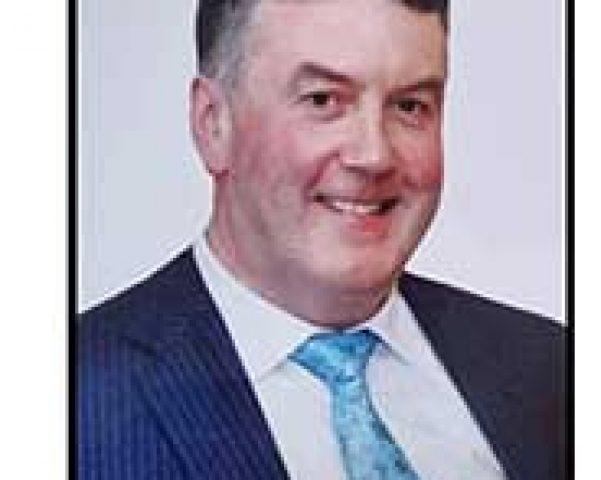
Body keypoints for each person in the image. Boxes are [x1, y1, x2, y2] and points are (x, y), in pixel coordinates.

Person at [77, 0, 566, 479]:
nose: (374, 155)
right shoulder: (79, 399)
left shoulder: (551, 367)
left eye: (410, 106)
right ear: (213, 124)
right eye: (323, 100)